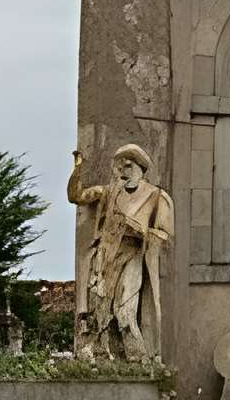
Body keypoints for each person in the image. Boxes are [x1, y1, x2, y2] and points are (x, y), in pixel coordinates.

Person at [69, 142, 173, 359]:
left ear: (140, 168)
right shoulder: (109, 192)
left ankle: (139, 361)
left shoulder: (156, 197)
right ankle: (105, 358)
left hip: (133, 256)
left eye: (129, 166)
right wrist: (77, 169)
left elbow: (166, 236)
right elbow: (77, 196)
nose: (124, 172)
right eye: (120, 167)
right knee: (100, 314)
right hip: (105, 258)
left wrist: (140, 230)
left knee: (125, 312)